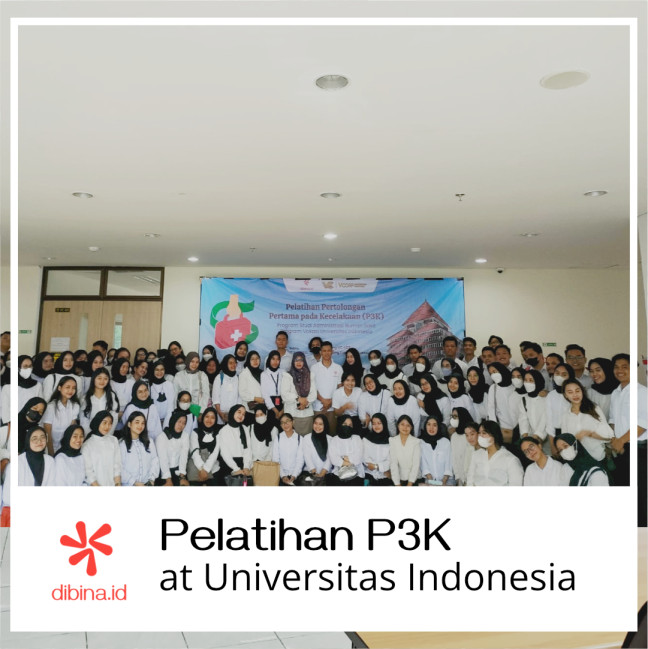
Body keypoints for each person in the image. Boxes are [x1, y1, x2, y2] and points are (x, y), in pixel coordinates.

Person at [609, 353, 647, 487]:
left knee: (639, 491)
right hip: (620, 449)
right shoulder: (615, 393)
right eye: (616, 367)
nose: (620, 370)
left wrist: (621, 440)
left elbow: (643, 423)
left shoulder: (642, 392)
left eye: (625, 367)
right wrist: (613, 439)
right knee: (621, 485)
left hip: (639, 450)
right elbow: (612, 420)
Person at [561, 378, 613, 465]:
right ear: (565, 395)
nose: (575, 394)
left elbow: (609, 436)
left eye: (577, 391)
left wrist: (590, 434)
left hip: (597, 458)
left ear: (582, 391)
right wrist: (574, 439)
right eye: (570, 392)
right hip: (578, 461)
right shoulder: (565, 415)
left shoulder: (594, 408)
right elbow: (564, 443)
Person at [466, 421, 524, 486]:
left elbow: (516, 484)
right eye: (479, 433)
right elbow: (470, 479)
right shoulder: (476, 455)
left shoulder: (511, 460)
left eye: (484, 433)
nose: (480, 436)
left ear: (494, 435)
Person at [42, 376, 81, 455]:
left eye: (73, 388)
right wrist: (51, 454)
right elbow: (47, 433)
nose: (71, 390)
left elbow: (71, 431)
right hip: (49, 447)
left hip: (65, 448)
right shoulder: (51, 407)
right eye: (67, 387)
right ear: (59, 388)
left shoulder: (75, 406)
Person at [281, 352, 317, 436]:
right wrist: (298, 399)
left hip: (307, 415)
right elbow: (284, 394)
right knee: (292, 440)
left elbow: (313, 394)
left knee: (307, 439)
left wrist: (305, 403)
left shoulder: (310, 375)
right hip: (291, 415)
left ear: (304, 362)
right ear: (293, 361)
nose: (299, 362)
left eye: (301, 360)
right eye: (296, 360)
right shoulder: (287, 376)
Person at [119, 412, 160, 486]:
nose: (140, 426)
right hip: (129, 485)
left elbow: (155, 460)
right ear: (129, 424)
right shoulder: (122, 444)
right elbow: (119, 467)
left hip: (147, 484)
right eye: (137, 422)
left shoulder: (149, 441)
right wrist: (134, 482)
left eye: (143, 423)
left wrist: (151, 479)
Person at [81, 411, 121, 486]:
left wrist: (118, 485)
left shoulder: (113, 440)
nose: (107, 426)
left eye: (110, 423)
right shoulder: (87, 445)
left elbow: (117, 466)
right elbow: (89, 473)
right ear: (97, 422)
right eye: (104, 423)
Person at [311, 341, 343, 435]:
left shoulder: (338, 368)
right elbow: (312, 388)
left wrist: (331, 402)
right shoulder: (314, 368)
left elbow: (340, 388)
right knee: (318, 434)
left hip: (333, 407)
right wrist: (323, 400)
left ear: (332, 351)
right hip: (318, 407)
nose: (326, 353)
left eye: (329, 350)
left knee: (331, 433)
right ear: (320, 352)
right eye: (324, 351)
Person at [545, 362, 575, 456]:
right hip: (556, 435)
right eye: (557, 373)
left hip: (573, 435)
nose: (559, 377)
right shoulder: (551, 395)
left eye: (564, 374)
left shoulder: (575, 394)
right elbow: (549, 422)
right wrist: (552, 445)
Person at [187, 406, 222, 485]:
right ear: (203, 418)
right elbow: (194, 453)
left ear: (216, 420)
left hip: (214, 469)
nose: (209, 420)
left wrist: (206, 469)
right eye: (207, 416)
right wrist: (201, 468)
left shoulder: (218, 434)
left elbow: (215, 453)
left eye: (212, 417)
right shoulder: (195, 432)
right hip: (196, 470)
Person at [219, 404, 253, 482]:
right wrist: (236, 469)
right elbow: (225, 453)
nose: (241, 415)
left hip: (244, 464)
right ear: (232, 412)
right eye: (239, 412)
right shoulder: (224, 430)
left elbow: (248, 450)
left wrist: (246, 467)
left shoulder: (245, 428)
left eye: (243, 414)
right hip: (228, 465)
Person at [80, 368, 120, 434]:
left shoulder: (112, 396)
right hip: (90, 435)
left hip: (107, 433)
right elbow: (84, 420)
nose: (102, 381)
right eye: (99, 378)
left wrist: (108, 434)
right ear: (94, 379)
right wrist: (89, 436)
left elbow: (114, 417)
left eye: (105, 378)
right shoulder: (85, 398)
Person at [155, 411, 190, 486]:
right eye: (179, 421)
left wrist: (182, 476)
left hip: (178, 470)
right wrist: (168, 479)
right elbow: (163, 459)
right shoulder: (162, 437)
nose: (181, 425)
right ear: (173, 421)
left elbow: (184, 456)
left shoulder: (185, 436)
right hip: (163, 471)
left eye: (184, 423)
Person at [328, 415, 364, 485]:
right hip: (338, 472)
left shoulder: (357, 438)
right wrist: (350, 461)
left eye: (350, 425)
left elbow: (358, 459)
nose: (347, 427)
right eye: (345, 424)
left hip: (357, 473)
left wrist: (343, 458)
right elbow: (334, 459)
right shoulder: (334, 440)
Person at [486, 362, 516, 443]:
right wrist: (494, 429)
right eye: (491, 373)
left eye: (494, 371)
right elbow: (491, 409)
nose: (493, 375)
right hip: (502, 429)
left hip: (517, 428)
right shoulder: (493, 388)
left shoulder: (514, 386)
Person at [419, 415, 453, 485]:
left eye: (434, 425)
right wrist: (432, 481)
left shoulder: (445, 442)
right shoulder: (421, 443)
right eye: (429, 424)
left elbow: (449, 462)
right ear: (425, 426)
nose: (431, 428)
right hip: (430, 481)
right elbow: (423, 464)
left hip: (447, 481)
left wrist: (444, 481)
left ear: (438, 427)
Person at [518, 370, 548, 447]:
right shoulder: (524, 399)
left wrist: (537, 435)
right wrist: (525, 436)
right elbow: (523, 418)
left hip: (546, 436)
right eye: (525, 380)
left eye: (531, 380)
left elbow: (545, 418)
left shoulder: (545, 398)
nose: (527, 383)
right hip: (531, 437)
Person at [272, 413, 304, 485]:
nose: (285, 424)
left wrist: (294, 475)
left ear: (293, 422)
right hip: (281, 475)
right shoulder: (278, 438)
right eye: (282, 422)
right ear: (280, 425)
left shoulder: (300, 439)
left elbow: (300, 460)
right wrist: (283, 476)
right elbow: (275, 459)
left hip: (296, 476)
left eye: (287, 421)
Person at [389, 415, 421, 486]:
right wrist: (397, 483)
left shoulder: (416, 442)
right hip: (398, 478)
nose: (405, 428)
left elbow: (416, 464)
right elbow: (393, 463)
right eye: (402, 424)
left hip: (414, 479)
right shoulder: (393, 441)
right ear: (398, 425)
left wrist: (410, 483)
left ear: (411, 427)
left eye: (408, 425)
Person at [300, 413, 332, 484]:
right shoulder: (307, 438)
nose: (317, 426)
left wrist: (322, 473)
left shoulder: (330, 439)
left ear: (325, 425)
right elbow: (307, 457)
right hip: (310, 472)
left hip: (326, 473)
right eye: (315, 423)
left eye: (320, 424)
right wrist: (314, 472)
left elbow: (330, 458)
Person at [362, 413, 391, 485]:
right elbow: (365, 458)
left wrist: (377, 466)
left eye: (379, 423)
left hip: (384, 474)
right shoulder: (366, 440)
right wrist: (374, 467)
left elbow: (390, 460)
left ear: (384, 424)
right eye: (374, 424)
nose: (376, 426)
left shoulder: (391, 441)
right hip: (368, 473)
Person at [448, 407, 473, 486]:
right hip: (460, 478)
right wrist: (458, 477)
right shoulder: (454, 436)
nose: (453, 419)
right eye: (452, 416)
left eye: (455, 416)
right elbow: (454, 458)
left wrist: (468, 480)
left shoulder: (471, 436)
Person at [212, 354, 240, 425]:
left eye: (235, 363)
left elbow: (239, 397)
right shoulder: (219, 378)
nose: (233, 365)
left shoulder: (237, 378)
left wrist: (236, 412)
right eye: (230, 363)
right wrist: (220, 413)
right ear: (225, 364)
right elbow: (215, 398)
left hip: (233, 414)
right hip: (220, 414)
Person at [260, 350, 284, 425]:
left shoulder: (283, 372)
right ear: (269, 360)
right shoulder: (264, 374)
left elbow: (287, 391)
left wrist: (282, 410)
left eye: (277, 359)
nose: (275, 362)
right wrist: (275, 411)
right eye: (273, 359)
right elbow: (265, 394)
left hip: (283, 404)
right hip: (270, 405)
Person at [149, 360, 176, 424]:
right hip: (152, 421)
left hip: (166, 420)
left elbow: (170, 407)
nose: (159, 372)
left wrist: (166, 423)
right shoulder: (149, 385)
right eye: (157, 370)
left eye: (162, 369)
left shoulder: (169, 385)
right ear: (153, 371)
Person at [459, 421, 481, 486]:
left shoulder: (486, 451)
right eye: (467, 435)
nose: (469, 438)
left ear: (478, 433)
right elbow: (466, 471)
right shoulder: (469, 449)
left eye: (472, 434)